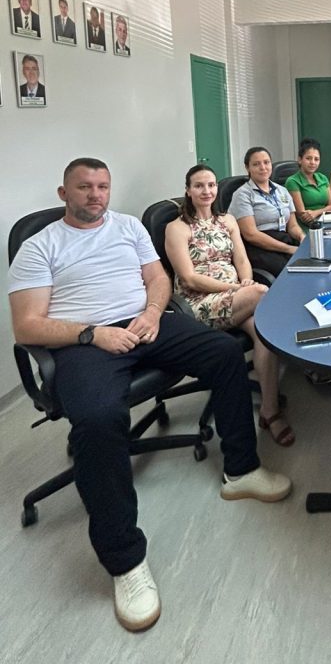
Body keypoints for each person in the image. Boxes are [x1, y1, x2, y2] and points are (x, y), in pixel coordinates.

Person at [8, 158, 291, 633]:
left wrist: (154, 313)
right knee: (99, 418)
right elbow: (27, 325)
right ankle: (125, 562)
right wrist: (92, 334)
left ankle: (241, 470)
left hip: (147, 324)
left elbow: (158, 280)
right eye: (84, 187)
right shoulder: (40, 246)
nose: (95, 195)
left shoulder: (127, 227)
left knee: (225, 353)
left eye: (102, 186)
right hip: (84, 342)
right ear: (64, 193)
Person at [165, 165, 293, 446]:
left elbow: (242, 260)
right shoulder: (177, 228)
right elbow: (189, 278)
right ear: (188, 190)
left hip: (237, 297)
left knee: (264, 330)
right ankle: (302, 359)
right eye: (199, 186)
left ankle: (269, 410)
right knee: (263, 294)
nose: (207, 191)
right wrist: (238, 289)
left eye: (211, 185)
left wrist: (245, 281)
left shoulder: (227, 220)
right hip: (198, 302)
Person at [230, 146, 304, 276]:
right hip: (259, 246)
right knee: (291, 271)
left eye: (266, 162)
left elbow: (292, 226)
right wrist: (289, 249)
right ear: (247, 168)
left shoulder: (282, 190)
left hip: (284, 239)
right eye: (256, 164)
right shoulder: (242, 195)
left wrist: (302, 237)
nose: (263, 167)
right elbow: (251, 235)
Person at [285, 138, 331, 230]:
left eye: (316, 159)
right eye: (308, 158)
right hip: (308, 227)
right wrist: (324, 211)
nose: (313, 162)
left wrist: (316, 212)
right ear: (300, 159)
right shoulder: (292, 181)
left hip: (327, 222)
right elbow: (303, 215)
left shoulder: (323, 178)